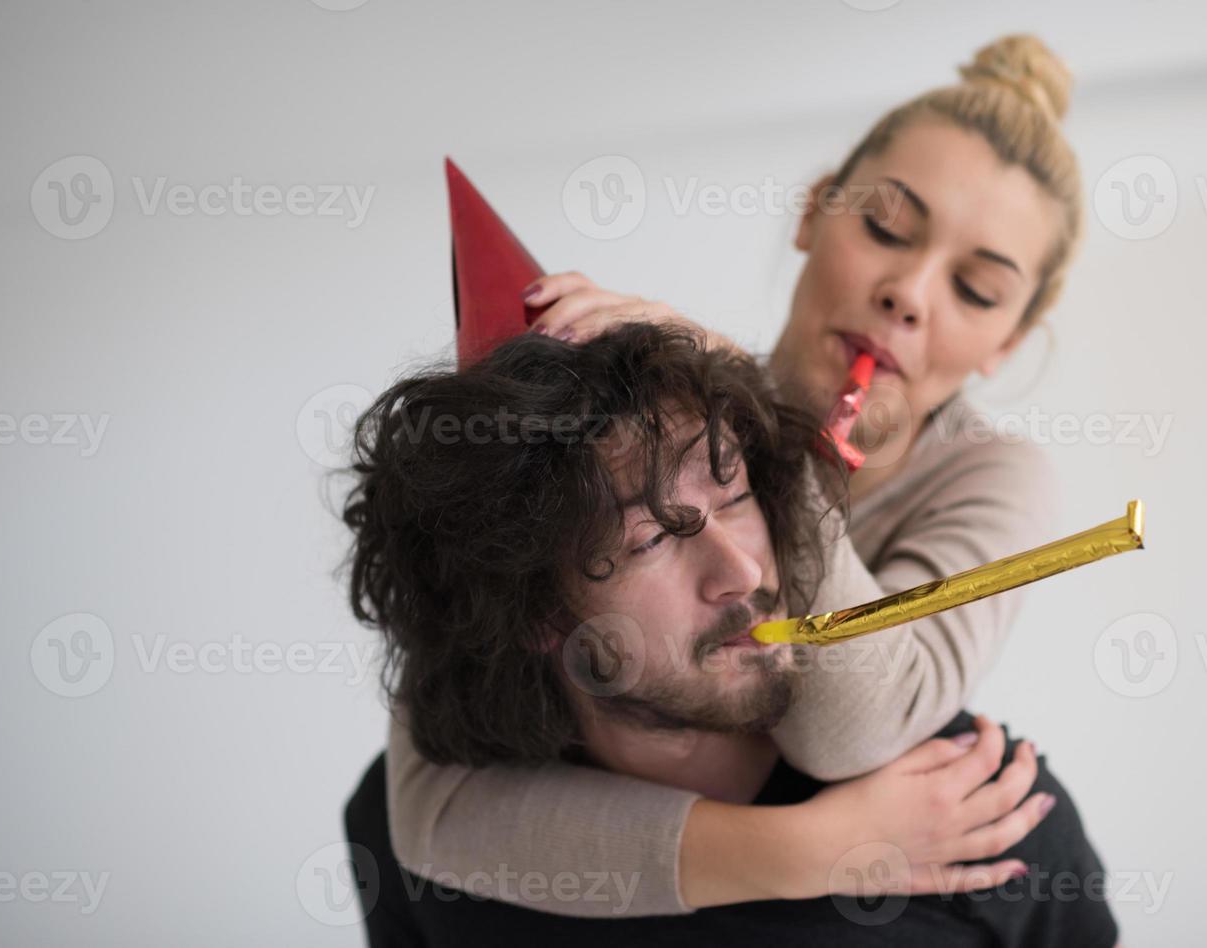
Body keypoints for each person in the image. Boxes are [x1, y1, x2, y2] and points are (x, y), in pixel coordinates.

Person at [382, 32, 1095, 918]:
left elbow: (851, 729)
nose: (909, 292)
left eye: (977, 291)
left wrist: (767, 429)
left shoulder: (992, 482)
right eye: (884, 228)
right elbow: (426, 807)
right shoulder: (651, 415)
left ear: (1007, 342)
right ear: (811, 212)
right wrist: (814, 850)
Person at [342, 322, 1116, 946]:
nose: (740, 572)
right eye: (651, 539)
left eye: (736, 495)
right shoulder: (408, 834)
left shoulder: (981, 815)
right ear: (537, 611)